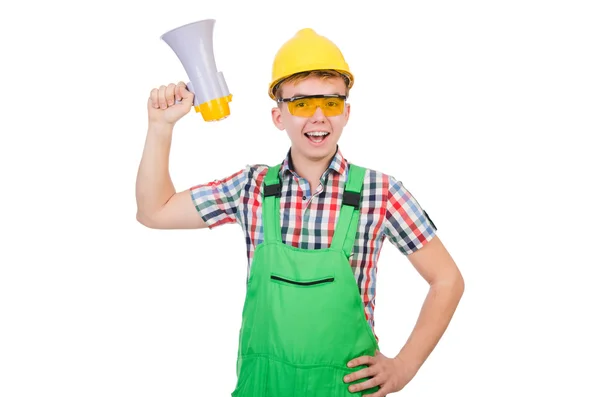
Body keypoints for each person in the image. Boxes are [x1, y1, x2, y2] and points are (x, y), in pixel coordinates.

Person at [136, 27, 464, 397]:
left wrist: (405, 366)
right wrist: (160, 127)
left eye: (332, 103)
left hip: (345, 389)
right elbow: (155, 211)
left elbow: (448, 279)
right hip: (263, 387)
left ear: (347, 112)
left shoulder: (380, 192)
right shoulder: (251, 188)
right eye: (302, 104)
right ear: (279, 116)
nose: (319, 117)